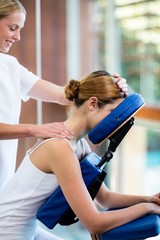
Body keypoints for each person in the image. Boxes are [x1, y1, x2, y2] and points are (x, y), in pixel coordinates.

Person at [0, 70, 159, 240]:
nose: (116, 123)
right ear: (92, 104)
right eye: (113, 112)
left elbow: (105, 198)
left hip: (26, 229)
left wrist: (148, 199)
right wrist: (148, 208)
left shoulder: (79, 144)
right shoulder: (60, 148)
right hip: (8, 232)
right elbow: (93, 222)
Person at [0, 0, 128, 193]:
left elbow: (63, 95)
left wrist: (110, 87)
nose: (17, 36)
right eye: (13, 28)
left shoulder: (11, 67)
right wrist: (36, 130)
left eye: (20, 29)